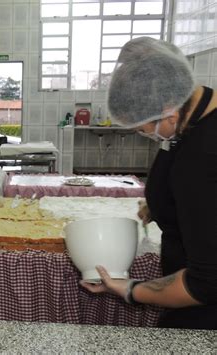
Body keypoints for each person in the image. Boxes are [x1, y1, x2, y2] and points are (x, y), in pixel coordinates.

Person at [80, 37, 217, 330]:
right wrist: (162, 204)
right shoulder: (197, 113)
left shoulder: (203, 156)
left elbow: (205, 283)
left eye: (144, 129)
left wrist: (129, 289)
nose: (151, 137)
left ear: (168, 110)